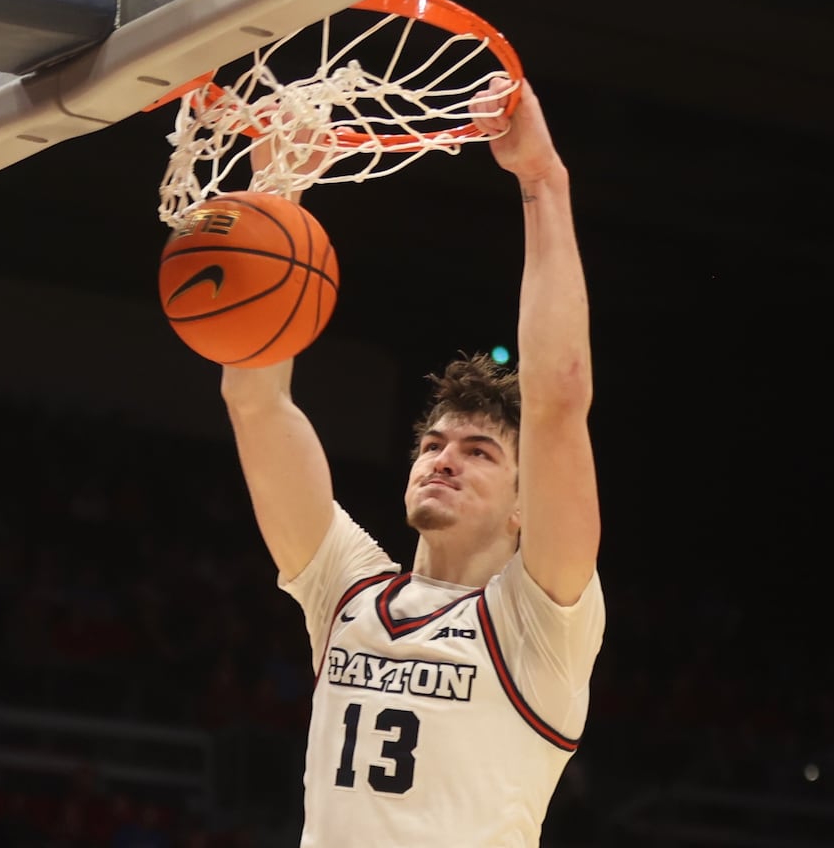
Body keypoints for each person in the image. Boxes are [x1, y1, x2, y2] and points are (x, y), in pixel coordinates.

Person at [218, 77, 606, 846]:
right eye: (431, 445)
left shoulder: (539, 622)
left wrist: (540, 178)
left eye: (478, 452)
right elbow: (255, 402)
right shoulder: (346, 588)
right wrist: (280, 187)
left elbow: (558, 402)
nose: (443, 460)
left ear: (525, 505)